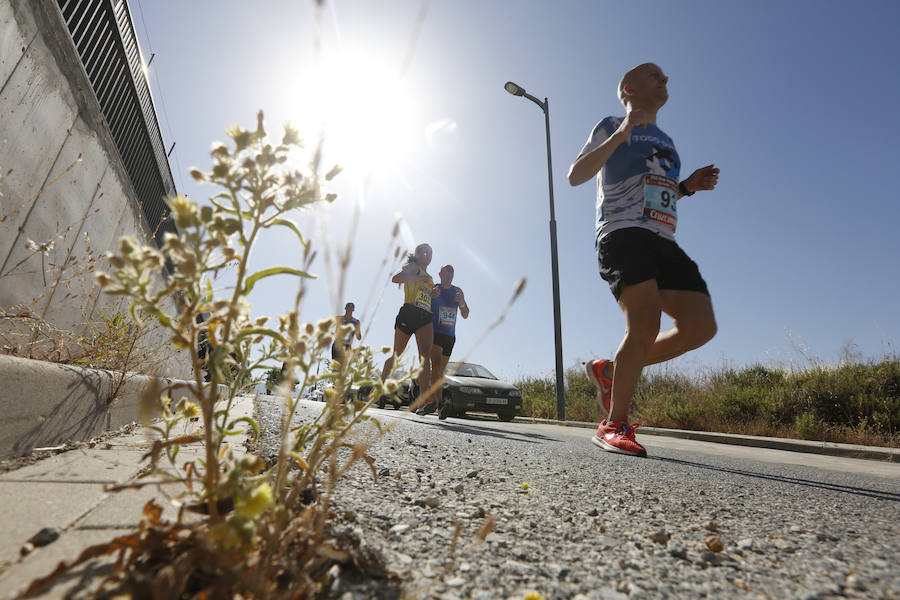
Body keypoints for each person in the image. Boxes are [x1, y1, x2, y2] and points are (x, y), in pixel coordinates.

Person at [567, 63, 720, 457]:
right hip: (621, 234)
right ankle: (614, 423)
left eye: (666, 75)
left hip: (663, 241)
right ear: (630, 88)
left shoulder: (667, 141)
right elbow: (576, 175)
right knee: (646, 322)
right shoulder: (610, 124)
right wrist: (620, 135)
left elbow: (657, 193)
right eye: (654, 75)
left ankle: (611, 372)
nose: (665, 78)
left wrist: (687, 187)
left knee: (701, 327)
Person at [381, 243, 440, 414]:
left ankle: (424, 400)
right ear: (417, 254)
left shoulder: (430, 277)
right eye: (425, 252)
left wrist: (433, 294)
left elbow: (425, 295)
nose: (428, 255)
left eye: (430, 253)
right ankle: (378, 386)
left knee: (425, 357)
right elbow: (396, 279)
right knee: (397, 355)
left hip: (425, 315)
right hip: (409, 312)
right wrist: (417, 278)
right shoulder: (413, 267)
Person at [429, 265, 470, 420]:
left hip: (450, 336)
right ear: (440, 273)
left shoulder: (458, 291)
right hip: (435, 332)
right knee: (437, 365)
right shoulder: (434, 287)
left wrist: (461, 302)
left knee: (440, 372)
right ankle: (439, 404)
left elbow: (465, 314)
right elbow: (423, 305)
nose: (450, 273)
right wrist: (431, 297)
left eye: (452, 271)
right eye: (447, 270)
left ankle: (433, 400)